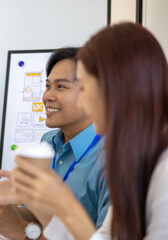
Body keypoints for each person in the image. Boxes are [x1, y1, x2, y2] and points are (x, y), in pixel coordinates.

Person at [9, 23, 168, 239]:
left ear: (115, 88)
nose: (83, 102)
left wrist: (61, 206)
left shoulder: (161, 166)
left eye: (83, 87)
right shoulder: (132, 155)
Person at [0, 48, 110, 239]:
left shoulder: (112, 160)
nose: (47, 96)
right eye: (47, 86)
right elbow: (40, 218)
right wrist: (7, 212)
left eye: (61, 87)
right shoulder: (47, 143)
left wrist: (21, 231)